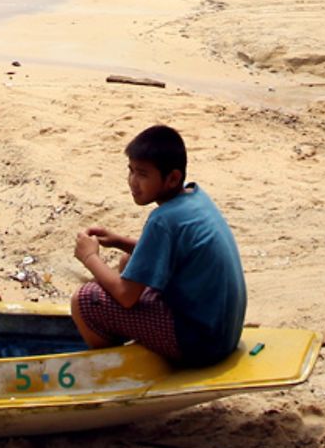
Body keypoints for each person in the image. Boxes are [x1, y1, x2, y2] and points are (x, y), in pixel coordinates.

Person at [71, 124, 246, 367]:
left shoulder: (163, 220)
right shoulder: (194, 197)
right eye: (131, 171)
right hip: (223, 332)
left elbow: (126, 297)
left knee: (86, 300)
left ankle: (114, 371)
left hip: (201, 344)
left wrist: (90, 257)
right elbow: (176, 250)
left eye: (142, 174)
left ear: (172, 178)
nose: (133, 181)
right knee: (127, 262)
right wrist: (119, 241)